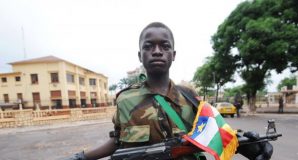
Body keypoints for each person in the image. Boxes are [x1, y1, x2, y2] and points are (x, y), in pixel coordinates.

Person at [68, 22, 273, 160]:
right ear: (140, 55)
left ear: (173, 55)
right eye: (149, 46)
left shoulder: (190, 97)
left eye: (164, 46)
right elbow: (116, 142)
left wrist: (251, 147)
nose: (157, 51)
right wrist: (82, 157)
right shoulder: (125, 99)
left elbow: (216, 134)